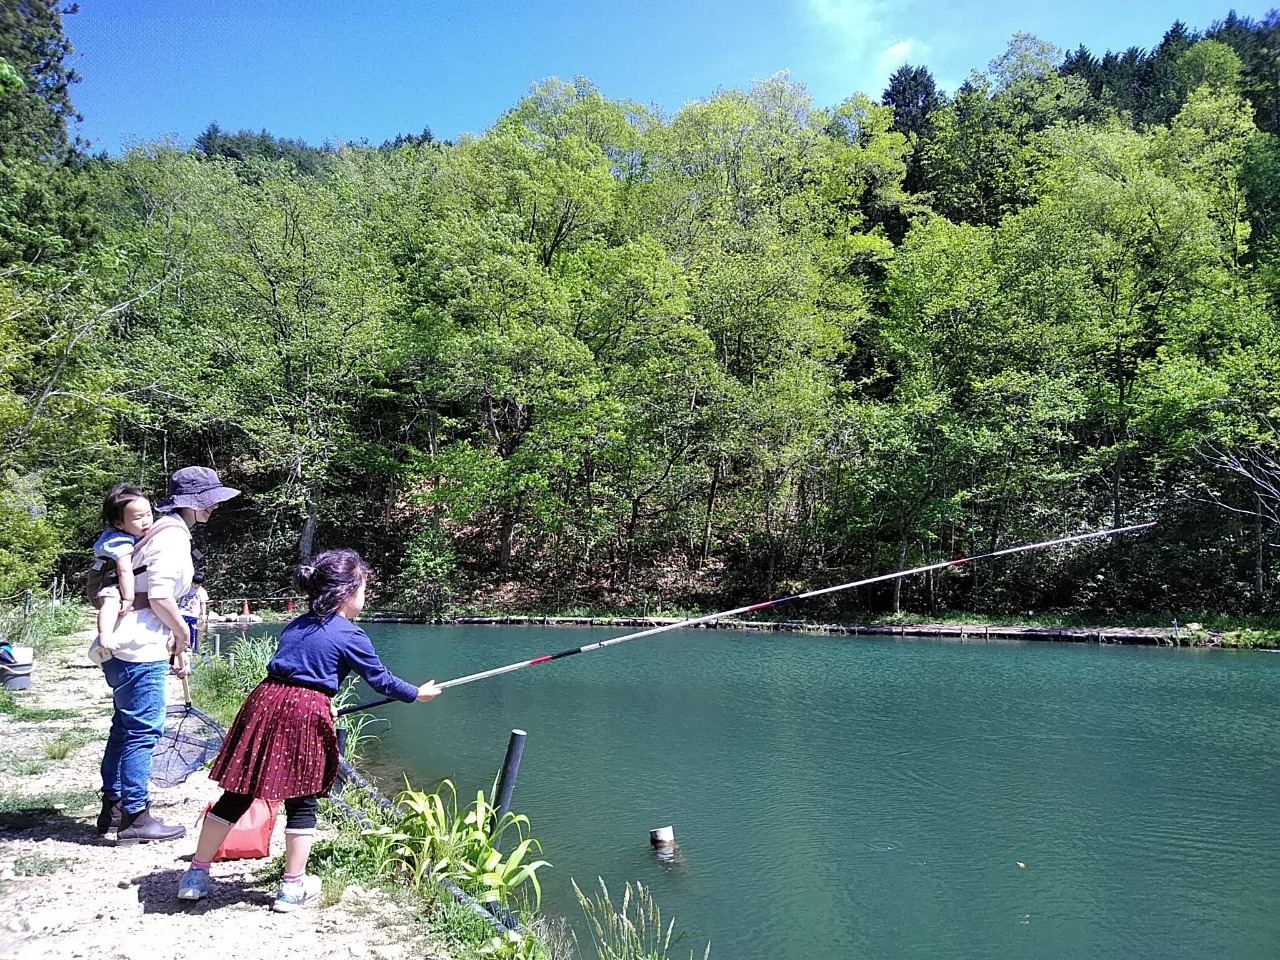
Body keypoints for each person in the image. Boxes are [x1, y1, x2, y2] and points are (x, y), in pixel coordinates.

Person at [176, 548, 441, 912]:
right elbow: (381, 680)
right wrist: (417, 694)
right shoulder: (351, 634)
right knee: (302, 798)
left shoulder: (298, 623)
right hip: (304, 712)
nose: (365, 596)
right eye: (363, 588)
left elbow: (301, 668)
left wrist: (321, 697)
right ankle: (291, 888)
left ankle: (195, 875)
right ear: (347, 592)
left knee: (237, 794)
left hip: (265, 701)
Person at [97, 466, 240, 844]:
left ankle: (113, 807)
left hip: (122, 643)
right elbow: (160, 597)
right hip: (140, 647)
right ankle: (135, 817)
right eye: (208, 500)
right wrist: (182, 635)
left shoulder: (158, 530)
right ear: (190, 503)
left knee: (123, 727)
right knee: (143, 731)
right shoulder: (173, 536)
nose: (214, 506)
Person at [90, 484, 154, 656]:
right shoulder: (120, 543)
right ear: (119, 524)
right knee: (112, 601)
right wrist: (128, 598)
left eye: (149, 514)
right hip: (104, 585)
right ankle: (104, 634)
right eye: (138, 517)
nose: (146, 521)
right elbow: (124, 571)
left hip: (113, 582)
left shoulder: (132, 534)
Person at [178, 572, 209, 653]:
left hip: (193, 615)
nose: (195, 586)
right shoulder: (186, 588)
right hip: (183, 612)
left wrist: (203, 615)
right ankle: (180, 645)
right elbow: (181, 598)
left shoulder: (202, 591)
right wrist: (178, 608)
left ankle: (190, 646)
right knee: (181, 630)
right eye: (194, 583)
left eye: (197, 584)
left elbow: (203, 604)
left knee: (192, 631)